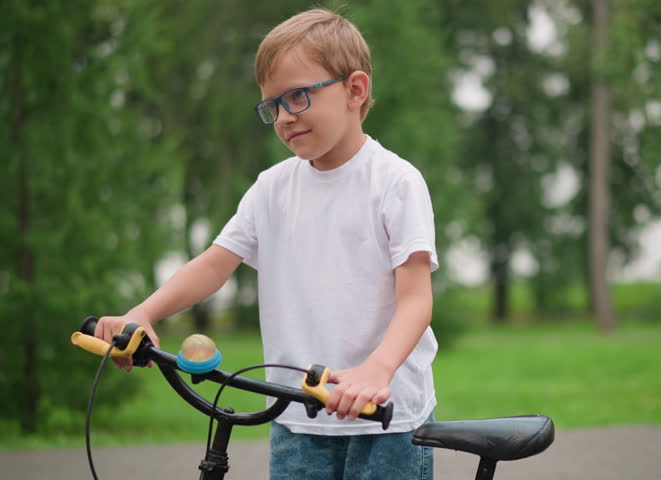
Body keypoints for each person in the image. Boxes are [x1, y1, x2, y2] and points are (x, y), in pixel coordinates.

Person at [94, 8, 439, 479]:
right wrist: (145, 313)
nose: (283, 117)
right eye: (272, 105)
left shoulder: (394, 182)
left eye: (297, 97)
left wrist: (376, 370)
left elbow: (417, 300)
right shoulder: (272, 188)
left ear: (355, 91)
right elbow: (214, 264)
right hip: (296, 417)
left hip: (385, 420)